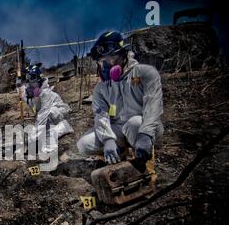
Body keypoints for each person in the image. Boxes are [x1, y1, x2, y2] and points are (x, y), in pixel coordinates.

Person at [76, 31, 163, 165]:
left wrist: (145, 134)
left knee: (135, 123)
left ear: (123, 56)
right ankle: (120, 153)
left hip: (144, 127)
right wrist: (108, 140)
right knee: (84, 144)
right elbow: (101, 116)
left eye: (110, 58)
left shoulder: (145, 73)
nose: (104, 66)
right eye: (100, 61)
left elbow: (153, 107)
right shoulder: (101, 89)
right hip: (119, 128)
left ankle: (145, 164)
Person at [19, 63, 73, 152]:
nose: (29, 81)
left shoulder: (45, 93)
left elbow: (42, 117)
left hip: (58, 114)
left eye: (32, 77)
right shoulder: (32, 93)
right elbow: (35, 109)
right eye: (27, 78)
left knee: (47, 115)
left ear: (39, 78)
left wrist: (30, 140)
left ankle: (53, 141)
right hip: (47, 118)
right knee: (39, 130)